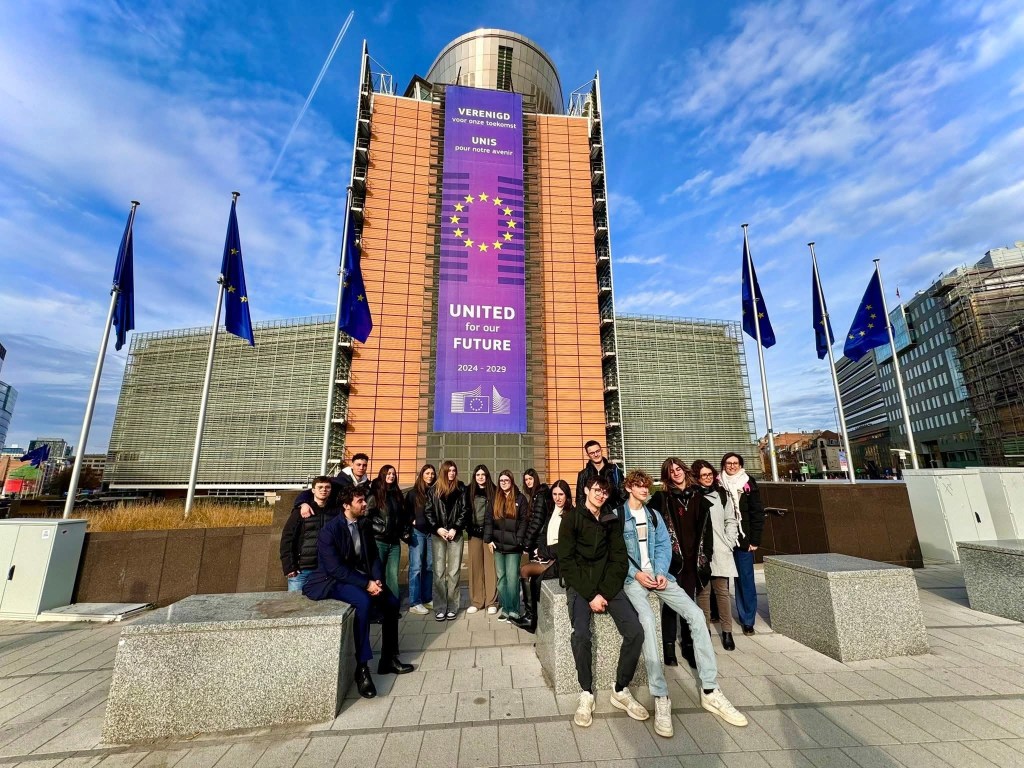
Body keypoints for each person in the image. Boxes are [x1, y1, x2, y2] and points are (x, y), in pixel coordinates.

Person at [618, 470, 748, 735]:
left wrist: (660, 572)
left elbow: (664, 547)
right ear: (629, 488)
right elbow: (616, 553)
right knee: (648, 621)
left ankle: (710, 689)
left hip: (659, 576)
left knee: (697, 615)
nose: (645, 490)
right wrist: (636, 574)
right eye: (640, 486)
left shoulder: (653, 516)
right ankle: (661, 695)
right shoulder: (619, 517)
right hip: (633, 581)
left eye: (647, 486)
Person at [302, 486, 413, 699]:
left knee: (391, 601)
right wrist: (366, 584)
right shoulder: (330, 530)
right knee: (363, 602)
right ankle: (362, 668)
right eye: (360, 501)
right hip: (332, 581)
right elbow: (334, 568)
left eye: (364, 500)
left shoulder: (363, 524)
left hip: (359, 577)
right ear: (346, 505)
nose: (365, 504)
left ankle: (388, 659)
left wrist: (377, 579)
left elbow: (373, 557)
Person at [557, 475, 646, 728]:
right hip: (580, 587)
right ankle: (586, 692)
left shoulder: (610, 520)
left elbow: (619, 559)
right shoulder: (571, 519)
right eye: (597, 490)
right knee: (581, 636)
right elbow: (567, 562)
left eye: (605, 492)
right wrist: (590, 594)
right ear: (586, 490)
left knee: (635, 631)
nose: (600, 495)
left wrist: (604, 593)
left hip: (608, 587)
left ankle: (620, 689)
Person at [649, 457, 699, 668]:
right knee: (670, 604)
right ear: (667, 476)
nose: (676, 473)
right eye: (671, 471)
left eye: (678, 469)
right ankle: (668, 645)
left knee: (689, 602)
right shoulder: (662, 498)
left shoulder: (697, 495)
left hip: (693, 558)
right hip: (672, 558)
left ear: (684, 471)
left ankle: (688, 645)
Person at [692, 459, 739, 650]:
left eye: (710, 474)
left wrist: (729, 541)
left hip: (720, 548)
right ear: (697, 478)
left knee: (722, 592)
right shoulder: (693, 496)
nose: (707, 478)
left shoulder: (722, 495)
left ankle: (727, 631)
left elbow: (731, 519)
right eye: (703, 475)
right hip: (701, 552)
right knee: (703, 592)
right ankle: (705, 631)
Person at [720, 453, 765, 636]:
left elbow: (757, 512)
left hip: (743, 540)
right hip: (722, 539)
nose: (732, 466)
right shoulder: (717, 483)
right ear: (723, 465)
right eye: (728, 463)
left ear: (740, 465)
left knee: (745, 580)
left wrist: (755, 540)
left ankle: (748, 620)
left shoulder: (748, 482)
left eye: (735, 463)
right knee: (720, 580)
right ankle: (717, 614)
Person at [518, 479, 568, 633]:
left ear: (567, 496)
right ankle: (530, 616)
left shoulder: (569, 514)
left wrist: (543, 552)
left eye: (561, 494)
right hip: (547, 558)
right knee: (524, 570)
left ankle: (537, 622)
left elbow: (565, 546)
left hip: (560, 561)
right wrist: (538, 551)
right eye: (554, 494)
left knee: (538, 582)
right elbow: (543, 535)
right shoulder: (552, 511)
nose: (557, 498)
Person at [424, 460, 467, 621]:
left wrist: (455, 527)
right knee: (439, 572)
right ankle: (440, 606)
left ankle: (453, 606)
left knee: (454, 571)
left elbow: (464, 509)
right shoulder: (434, 490)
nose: (452, 473)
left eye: (454, 470)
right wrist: (437, 528)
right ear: (443, 472)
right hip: (438, 535)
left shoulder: (461, 488)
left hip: (455, 534)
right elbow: (428, 511)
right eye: (449, 470)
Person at [280, 476, 338, 593]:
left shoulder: (335, 512)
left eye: (327, 487)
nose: (324, 490)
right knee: (295, 606)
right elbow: (288, 538)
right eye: (320, 487)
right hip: (302, 569)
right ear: (313, 490)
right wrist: (289, 566)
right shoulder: (300, 512)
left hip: (326, 569)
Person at [485, 470, 529, 623]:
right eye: (501, 480)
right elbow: (488, 521)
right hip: (497, 545)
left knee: (512, 578)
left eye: (506, 480)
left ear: (512, 481)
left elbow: (524, 520)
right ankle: (506, 608)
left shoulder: (520, 498)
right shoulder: (494, 498)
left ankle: (515, 611)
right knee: (501, 579)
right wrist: (488, 539)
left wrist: (519, 539)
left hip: (513, 547)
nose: (503, 482)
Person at [366, 465, 408, 600]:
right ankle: (378, 608)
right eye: (388, 473)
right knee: (378, 575)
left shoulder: (397, 494)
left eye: (393, 474)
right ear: (382, 475)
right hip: (380, 541)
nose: (391, 476)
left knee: (392, 575)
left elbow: (401, 516)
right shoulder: (375, 494)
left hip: (394, 542)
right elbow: (366, 517)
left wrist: (404, 531)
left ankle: (393, 608)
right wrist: (381, 529)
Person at [464, 464, 499, 615]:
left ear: (487, 476)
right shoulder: (468, 490)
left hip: (490, 535)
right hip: (474, 534)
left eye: (483, 474)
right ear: (474, 476)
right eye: (478, 475)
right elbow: (464, 511)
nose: (480, 477)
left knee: (490, 567)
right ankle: (477, 601)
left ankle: (491, 601)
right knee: (475, 567)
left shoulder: (494, 490)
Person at [294, 453, 370, 518]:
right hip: (335, 517)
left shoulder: (367, 485)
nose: (361, 468)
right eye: (358, 465)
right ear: (352, 465)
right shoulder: (337, 481)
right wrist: (303, 504)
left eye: (364, 465)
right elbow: (310, 492)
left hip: (356, 519)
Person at [404, 464, 436, 615]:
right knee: (416, 567)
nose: (430, 476)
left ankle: (427, 598)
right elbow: (407, 511)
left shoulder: (435, 492)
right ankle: (415, 602)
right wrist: (412, 521)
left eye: (432, 473)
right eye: (427, 473)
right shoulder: (413, 493)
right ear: (422, 475)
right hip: (417, 533)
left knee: (429, 567)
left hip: (431, 533)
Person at [575, 440, 624, 510]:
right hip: (591, 516)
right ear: (587, 455)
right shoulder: (583, 474)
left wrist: (617, 512)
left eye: (597, 451)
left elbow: (623, 495)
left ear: (602, 450)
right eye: (592, 453)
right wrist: (587, 514)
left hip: (612, 514)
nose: (596, 455)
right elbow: (580, 499)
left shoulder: (614, 470)